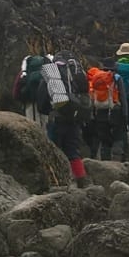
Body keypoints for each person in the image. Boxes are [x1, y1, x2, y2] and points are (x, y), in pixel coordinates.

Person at [36, 52, 91, 188]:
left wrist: (48, 111)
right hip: (74, 119)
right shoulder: (74, 76)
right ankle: (81, 182)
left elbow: (42, 103)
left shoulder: (51, 76)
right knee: (73, 151)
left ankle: (58, 183)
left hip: (56, 119)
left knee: (54, 150)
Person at [86, 58, 129, 161]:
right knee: (118, 137)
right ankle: (117, 161)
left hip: (100, 111)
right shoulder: (117, 78)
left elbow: (91, 96)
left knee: (104, 140)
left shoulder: (96, 78)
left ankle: (105, 163)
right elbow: (122, 97)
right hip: (115, 111)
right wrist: (125, 114)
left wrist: (92, 114)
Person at [13, 54, 52, 129]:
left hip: (30, 103)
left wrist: (22, 98)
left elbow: (16, 92)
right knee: (45, 127)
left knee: (33, 127)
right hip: (45, 103)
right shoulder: (46, 70)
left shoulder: (25, 71)